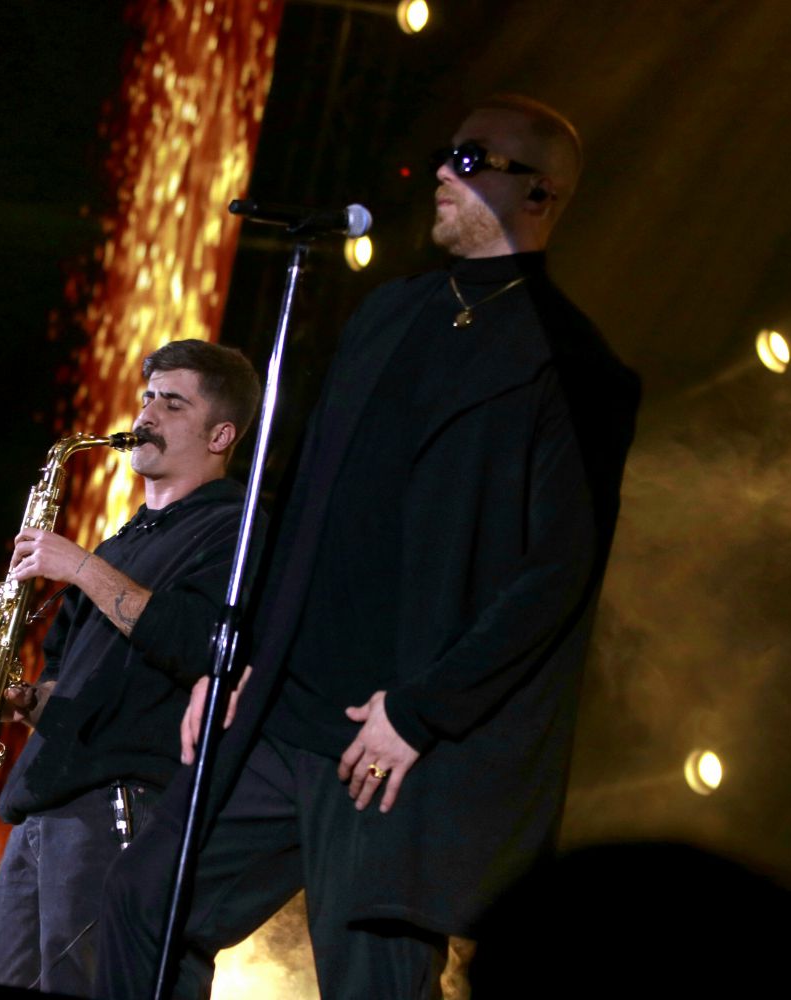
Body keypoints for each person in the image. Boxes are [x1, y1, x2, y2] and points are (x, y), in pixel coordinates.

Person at [95, 95, 642, 999]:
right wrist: (234, 657)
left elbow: (557, 575)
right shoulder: (390, 311)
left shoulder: (574, 366)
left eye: (473, 159)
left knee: (374, 985)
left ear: (539, 193)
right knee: (142, 901)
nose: (444, 172)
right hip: (284, 708)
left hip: (388, 742)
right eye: (448, 152)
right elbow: (299, 502)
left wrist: (424, 712)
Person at [0, 340, 263, 996]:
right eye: (147, 398)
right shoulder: (120, 541)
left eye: (173, 403)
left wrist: (80, 566)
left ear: (221, 434)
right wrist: (28, 698)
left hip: (120, 807)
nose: (146, 415)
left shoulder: (236, 530)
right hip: (44, 807)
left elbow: (201, 645)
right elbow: (65, 671)